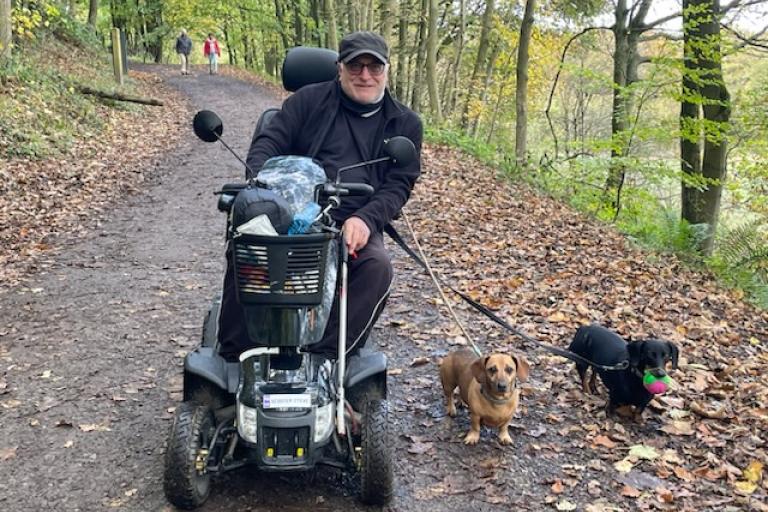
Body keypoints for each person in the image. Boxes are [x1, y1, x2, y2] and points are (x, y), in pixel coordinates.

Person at [217, 31, 423, 361]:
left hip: (352, 220)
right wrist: (262, 189)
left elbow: (399, 184)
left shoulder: (404, 123)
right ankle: (236, 359)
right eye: (356, 66)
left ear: (387, 69)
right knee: (249, 248)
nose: (366, 75)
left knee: (377, 267)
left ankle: (324, 358)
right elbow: (267, 144)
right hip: (292, 213)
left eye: (375, 67)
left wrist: (366, 219)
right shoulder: (307, 102)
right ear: (339, 68)